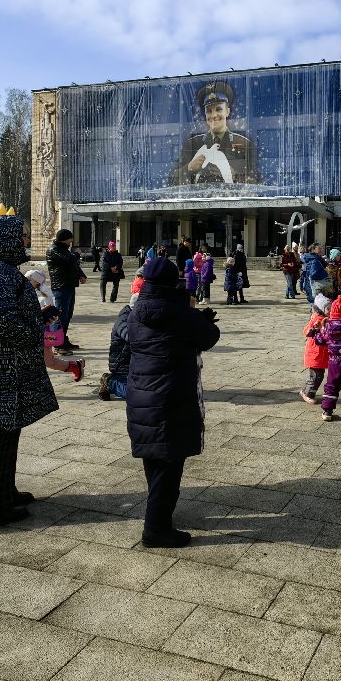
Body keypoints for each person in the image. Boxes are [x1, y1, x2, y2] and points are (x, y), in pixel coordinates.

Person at [0, 215, 59, 530]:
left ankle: (3, 493)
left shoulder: (1, 270)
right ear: (3, 241)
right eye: (19, 237)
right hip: (1, 369)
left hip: (8, 368)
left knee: (6, 432)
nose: (25, 241)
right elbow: (4, 321)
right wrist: (33, 335)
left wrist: (37, 319)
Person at [127, 257, 221, 547]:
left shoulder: (134, 312)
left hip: (141, 395)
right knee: (169, 461)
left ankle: (161, 515)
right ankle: (155, 528)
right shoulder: (181, 312)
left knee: (154, 457)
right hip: (171, 395)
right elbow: (208, 338)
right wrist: (201, 318)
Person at [177, 80, 257, 185]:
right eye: (209, 111)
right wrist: (189, 168)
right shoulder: (192, 144)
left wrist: (233, 175)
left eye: (218, 109)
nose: (213, 115)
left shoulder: (244, 144)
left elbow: (253, 183)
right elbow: (174, 181)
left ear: (227, 111)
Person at [26, 269, 86, 382]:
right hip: (32, 333)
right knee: (41, 361)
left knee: (48, 361)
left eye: (29, 279)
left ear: (36, 282)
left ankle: (75, 366)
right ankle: (75, 365)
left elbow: (47, 314)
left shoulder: (43, 295)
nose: (26, 281)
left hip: (43, 332)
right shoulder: (28, 292)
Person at [98, 278, 142, 400]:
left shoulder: (141, 319)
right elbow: (129, 335)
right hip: (122, 367)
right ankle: (110, 382)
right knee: (136, 396)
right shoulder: (123, 319)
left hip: (138, 366)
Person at [47, 229, 87, 352]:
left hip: (69, 285)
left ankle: (63, 339)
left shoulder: (65, 250)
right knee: (59, 316)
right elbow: (69, 260)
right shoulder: (53, 250)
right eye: (70, 238)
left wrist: (81, 274)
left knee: (67, 315)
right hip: (60, 287)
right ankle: (57, 344)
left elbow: (73, 264)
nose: (72, 241)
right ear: (65, 238)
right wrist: (75, 255)